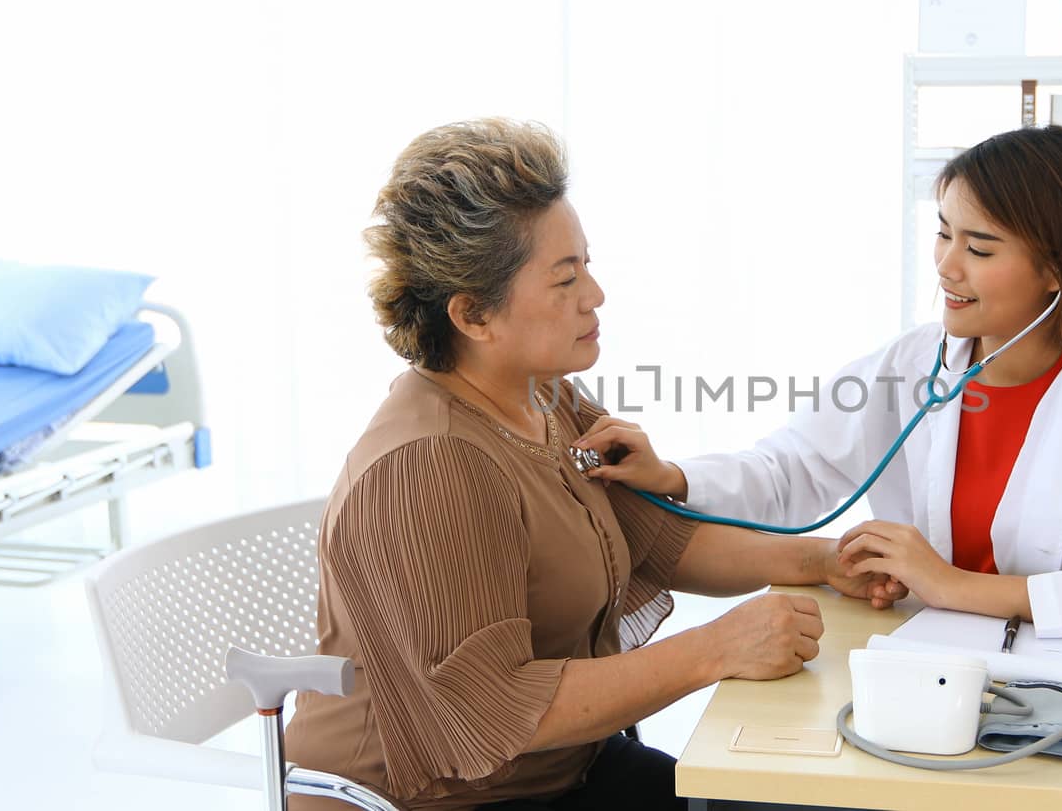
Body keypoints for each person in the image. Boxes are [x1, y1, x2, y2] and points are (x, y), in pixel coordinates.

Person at [283, 118, 898, 811]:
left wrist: (825, 562)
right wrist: (713, 650)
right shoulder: (426, 467)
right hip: (438, 800)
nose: (595, 296)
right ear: (473, 315)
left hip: (562, 772)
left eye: (588, 267)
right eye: (565, 279)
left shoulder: (545, 397)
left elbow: (661, 541)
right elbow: (490, 710)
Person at [576, 125, 1062, 645]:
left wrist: (951, 586)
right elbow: (795, 469)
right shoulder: (913, 363)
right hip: (932, 667)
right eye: (944, 234)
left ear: (1057, 269)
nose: (946, 265)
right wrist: (674, 478)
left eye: (979, 249)